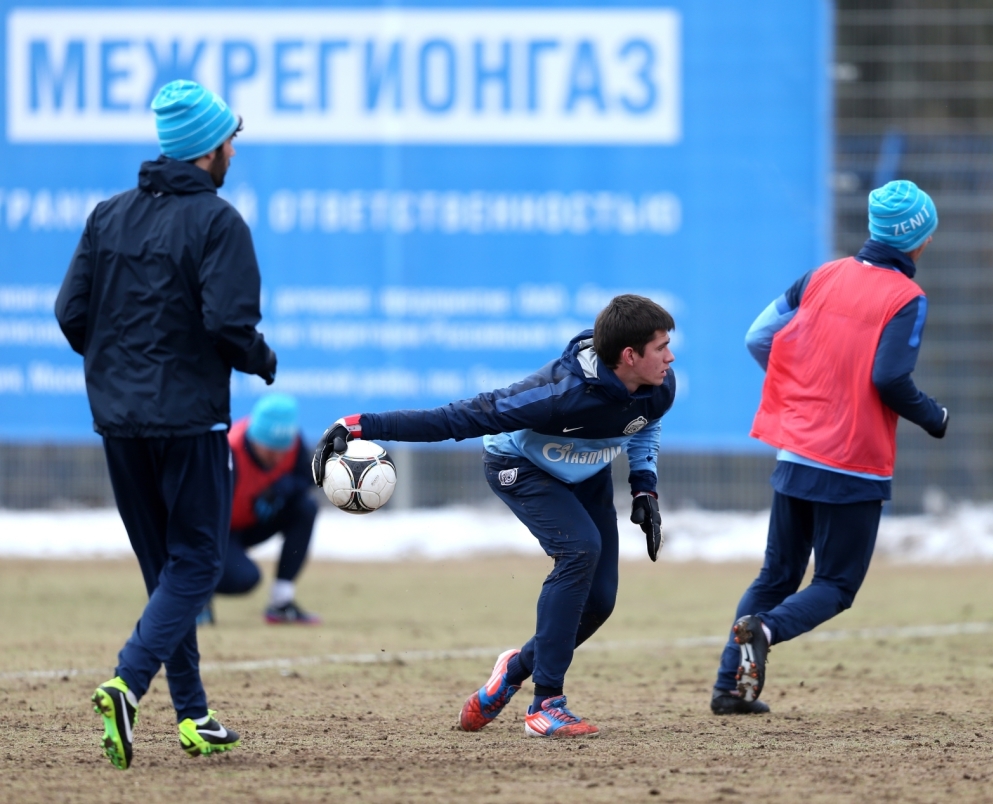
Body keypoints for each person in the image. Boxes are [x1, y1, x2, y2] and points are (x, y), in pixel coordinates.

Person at [312, 294, 675, 738]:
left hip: (587, 472)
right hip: (520, 467)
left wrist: (644, 487)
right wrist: (358, 424)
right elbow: (455, 419)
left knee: (599, 602)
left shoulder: (660, 385)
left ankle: (513, 670)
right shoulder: (555, 395)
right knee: (579, 549)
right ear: (629, 355)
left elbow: (645, 423)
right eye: (661, 347)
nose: (670, 357)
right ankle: (546, 706)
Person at [54, 79, 276, 769]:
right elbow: (228, 325)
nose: (234, 150)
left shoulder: (107, 216)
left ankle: (193, 714)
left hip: (119, 423)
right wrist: (262, 360)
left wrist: (115, 370)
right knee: (199, 562)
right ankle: (127, 682)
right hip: (189, 421)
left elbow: (70, 313)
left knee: (165, 570)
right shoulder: (219, 222)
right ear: (209, 149)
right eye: (230, 139)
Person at [710, 180, 949, 716]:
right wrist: (933, 416)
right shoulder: (906, 298)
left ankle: (730, 689)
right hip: (851, 461)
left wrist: (803, 389)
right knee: (836, 584)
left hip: (796, 450)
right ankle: (765, 630)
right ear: (918, 239)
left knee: (776, 576)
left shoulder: (821, 276)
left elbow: (757, 337)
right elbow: (889, 379)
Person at [202, 393, 320, 625]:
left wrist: (284, 486)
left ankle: (281, 602)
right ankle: (193, 593)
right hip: (218, 534)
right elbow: (200, 512)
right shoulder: (229, 451)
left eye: (282, 451)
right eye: (269, 450)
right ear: (254, 439)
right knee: (246, 578)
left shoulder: (292, 441)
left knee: (306, 508)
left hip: (255, 521)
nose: (277, 457)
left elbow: (307, 478)